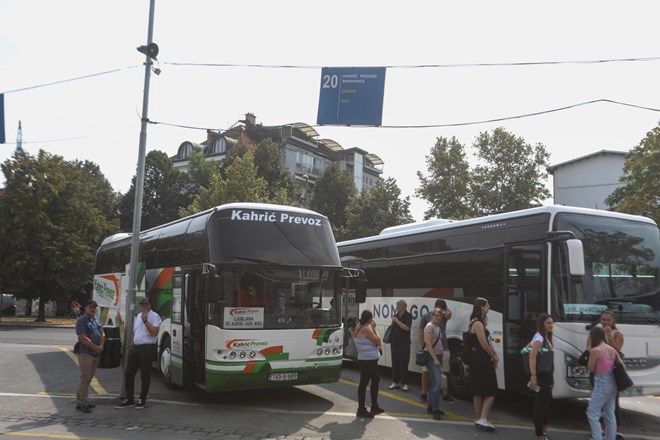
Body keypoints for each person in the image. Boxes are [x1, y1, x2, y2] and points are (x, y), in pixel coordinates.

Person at [116, 297, 161, 409]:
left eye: (146, 304)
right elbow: (136, 332)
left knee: (145, 374)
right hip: (136, 348)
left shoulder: (154, 316)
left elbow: (154, 332)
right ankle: (129, 398)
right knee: (129, 373)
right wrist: (132, 343)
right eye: (142, 305)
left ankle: (142, 399)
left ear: (150, 305)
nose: (144, 306)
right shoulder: (138, 317)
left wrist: (146, 320)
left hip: (147, 348)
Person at [587, 310, 625, 440]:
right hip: (612, 382)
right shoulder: (611, 350)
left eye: (608, 320)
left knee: (592, 413)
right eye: (603, 320)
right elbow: (621, 365)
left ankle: (597, 437)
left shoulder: (595, 351)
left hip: (601, 381)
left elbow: (591, 368)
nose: (605, 322)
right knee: (610, 413)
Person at [467, 297, 498, 432]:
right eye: (487, 305)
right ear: (481, 307)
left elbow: (488, 342)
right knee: (491, 390)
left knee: (478, 391)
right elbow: (484, 344)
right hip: (481, 360)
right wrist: (493, 356)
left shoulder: (476, 322)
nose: (489, 307)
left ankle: (478, 418)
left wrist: (494, 353)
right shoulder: (478, 324)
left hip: (477, 360)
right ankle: (483, 418)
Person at [418, 299, 454, 404]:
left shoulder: (443, 317)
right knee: (427, 372)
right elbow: (421, 333)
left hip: (443, 349)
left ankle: (443, 394)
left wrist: (445, 309)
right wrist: (423, 346)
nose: (439, 316)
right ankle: (426, 394)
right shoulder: (426, 318)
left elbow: (449, 314)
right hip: (432, 350)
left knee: (443, 373)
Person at [527, 313, 554, 440]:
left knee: (546, 405)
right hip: (542, 376)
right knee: (540, 406)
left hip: (547, 376)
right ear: (542, 324)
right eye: (548, 323)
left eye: (552, 323)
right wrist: (533, 376)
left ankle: (543, 431)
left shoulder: (543, 337)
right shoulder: (539, 338)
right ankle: (539, 435)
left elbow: (526, 348)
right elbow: (531, 355)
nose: (551, 325)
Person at [75, 300, 105, 413]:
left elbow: (102, 333)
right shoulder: (82, 321)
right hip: (86, 354)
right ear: (85, 308)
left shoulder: (96, 319)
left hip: (95, 353)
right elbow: (83, 338)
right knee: (85, 379)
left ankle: (80, 402)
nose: (93, 309)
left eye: (94, 307)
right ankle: (83, 403)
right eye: (91, 307)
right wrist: (95, 347)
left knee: (87, 379)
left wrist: (101, 345)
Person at [353, 309, 384, 418]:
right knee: (364, 383)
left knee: (375, 379)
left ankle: (374, 406)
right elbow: (378, 341)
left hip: (365, 358)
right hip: (368, 360)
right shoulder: (366, 329)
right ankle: (361, 409)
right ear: (370, 319)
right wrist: (375, 329)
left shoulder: (357, 326)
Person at [423, 307, 445, 420]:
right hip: (433, 357)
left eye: (440, 316)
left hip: (438, 357)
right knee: (437, 383)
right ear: (432, 316)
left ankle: (431, 407)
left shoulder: (437, 327)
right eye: (436, 315)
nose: (438, 317)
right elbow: (428, 345)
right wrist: (435, 358)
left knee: (434, 383)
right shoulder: (430, 327)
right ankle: (435, 409)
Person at [388, 299, 413, 391]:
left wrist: (397, 321)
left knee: (404, 363)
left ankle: (405, 383)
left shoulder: (408, 316)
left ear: (404, 306)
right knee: (395, 363)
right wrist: (394, 321)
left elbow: (406, 328)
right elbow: (392, 327)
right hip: (394, 343)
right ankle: (395, 382)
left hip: (404, 343)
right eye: (397, 305)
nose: (397, 307)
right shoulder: (395, 315)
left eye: (399, 305)